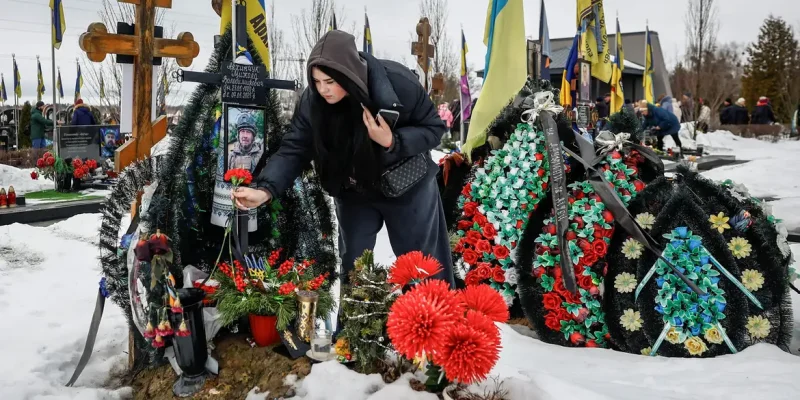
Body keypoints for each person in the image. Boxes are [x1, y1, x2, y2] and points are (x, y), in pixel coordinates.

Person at [231, 31, 455, 293]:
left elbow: (433, 128)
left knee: (423, 268)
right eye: (316, 81)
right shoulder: (312, 101)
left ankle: (437, 329)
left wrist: (392, 141)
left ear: (349, 74)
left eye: (330, 81)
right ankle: (351, 332)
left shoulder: (398, 83)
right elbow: (294, 148)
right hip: (353, 189)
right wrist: (264, 189)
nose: (323, 89)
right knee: (354, 267)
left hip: (407, 186)